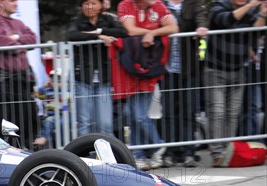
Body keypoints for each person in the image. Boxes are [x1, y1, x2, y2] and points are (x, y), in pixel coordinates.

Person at [114, 0, 179, 170]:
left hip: (150, 66)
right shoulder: (125, 4)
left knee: (139, 115)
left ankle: (153, 148)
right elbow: (131, 30)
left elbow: (173, 28)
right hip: (130, 66)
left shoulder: (157, 5)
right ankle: (143, 153)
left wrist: (153, 33)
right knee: (135, 115)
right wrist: (154, 33)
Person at [206, 0, 266, 166]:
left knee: (233, 112)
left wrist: (262, 14)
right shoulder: (219, 5)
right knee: (217, 111)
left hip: (238, 70)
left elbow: (255, 34)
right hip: (215, 70)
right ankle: (217, 153)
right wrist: (250, 6)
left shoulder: (251, 12)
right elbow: (227, 20)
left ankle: (228, 151)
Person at [67, 0, 128, 137]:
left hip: (104, 77)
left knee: (105, 123)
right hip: (82, 77)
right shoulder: (76, 21)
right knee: (84, 122)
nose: (89, 7)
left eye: (93, 3)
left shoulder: (108, 19)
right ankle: (83, 155)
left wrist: (102, 30)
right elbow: (72, 35)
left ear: (101, 5)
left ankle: (108, 156)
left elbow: (124, 32)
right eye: (86, 3)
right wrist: (97, 36)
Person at [159, 0, 209, 168]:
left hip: (189, 69)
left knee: (189, 111)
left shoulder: (194, 3)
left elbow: (202, 17)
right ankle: (171, 152)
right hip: (166, 69)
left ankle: (188, 152)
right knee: (169, 112)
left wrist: (201, 27)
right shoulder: (160, 5)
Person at [0, 0, 38, 145]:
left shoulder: (18, 23)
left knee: (24, 118)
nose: (16, 3)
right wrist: (20, 45)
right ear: (1, 2)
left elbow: (33, 39)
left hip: (20, 80)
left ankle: (24, 150)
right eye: (12, 0)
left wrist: (16, 38)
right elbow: (0, 43)